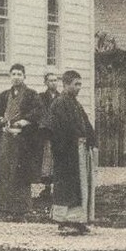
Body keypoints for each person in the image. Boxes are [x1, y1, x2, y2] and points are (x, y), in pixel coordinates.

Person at [0, 63, 44, 220]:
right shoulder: (4, 96)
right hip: (5, 139)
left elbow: (39, 112)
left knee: (20, 173)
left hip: (23, 140)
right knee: (3, 172)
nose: (16, 77)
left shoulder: (32, 95)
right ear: (10, 77)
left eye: (19, 74)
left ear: (24, 76)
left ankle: (20, 210)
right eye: (13, 74)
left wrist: (25, 121)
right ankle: (1, 207)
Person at [41, 70, 96, 235]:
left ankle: (77, 220)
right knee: (66, 187)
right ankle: (64, 221)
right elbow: (54, 129)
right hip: (65, 152)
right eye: (75, 84)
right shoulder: (59, 103)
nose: (79, 88)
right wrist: (64, 147)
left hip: (77, 151)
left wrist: (92, 140)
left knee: (78, 187)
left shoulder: (75, 103)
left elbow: (85, 124)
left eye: (80, 84)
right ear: (65, 85)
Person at [37, 70, 61, 205]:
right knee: (47, 159)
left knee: (58, 159)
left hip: (59, 134)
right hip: (47, 133)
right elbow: (40, 114)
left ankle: (57, 187)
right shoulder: (41, 98)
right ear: (45, 82)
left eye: (55, 80)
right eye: (51, 80)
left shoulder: (61, 97)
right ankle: (47, 187)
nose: (53, 83)